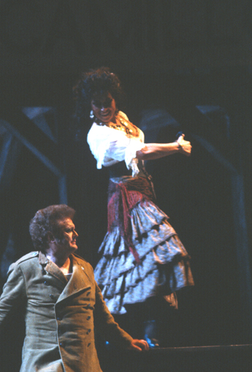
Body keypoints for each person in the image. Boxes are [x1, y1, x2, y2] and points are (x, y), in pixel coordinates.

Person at [73, 66, 194, 346]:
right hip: (127, 198)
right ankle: (120, 335)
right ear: (89, 106)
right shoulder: (99, 135)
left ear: (116, 99)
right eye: (98, 104)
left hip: (142, 191)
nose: (104, 108)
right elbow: (140, 151)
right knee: (153, 252)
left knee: (148, 264)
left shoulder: (122, 120)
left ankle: (143, 335)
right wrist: (176, 147)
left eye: (108, 102)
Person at [0, 204, 149, 372]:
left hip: (85, 365)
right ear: (50, 237)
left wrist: (127, 341)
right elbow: (0, 312)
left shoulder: (85, 268)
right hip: (44, 365)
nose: (75, 234)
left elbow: (102, 317)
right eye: (69, 230)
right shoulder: (26, 268)